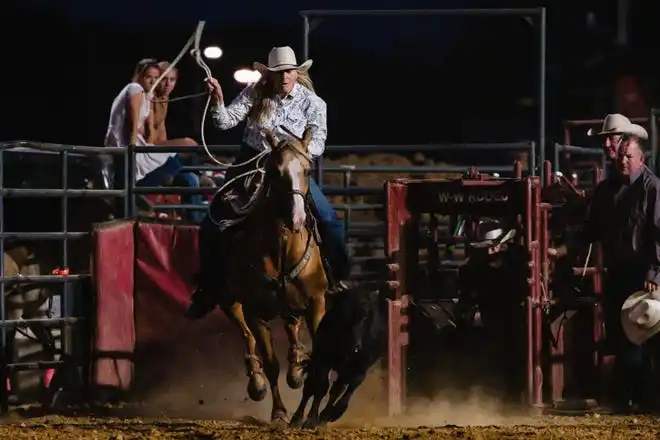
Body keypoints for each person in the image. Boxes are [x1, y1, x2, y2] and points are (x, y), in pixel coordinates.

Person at [186, 46, 350, 319]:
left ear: (297, 73)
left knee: (328, 218)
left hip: (290, 167)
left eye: (288, 71)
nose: (284, 77)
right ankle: (209, 286)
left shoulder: (313, 103)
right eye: (278, 72)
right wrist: (217, 99)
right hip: (250, 165)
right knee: (212, 222)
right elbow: (225, 121)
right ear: (269, 75)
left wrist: (293, 152)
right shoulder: (255, 94)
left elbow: (319, 141)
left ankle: (337, 278)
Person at [552, 124, 659, 412]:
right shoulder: (607, 190)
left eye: (629, 156)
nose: (623, 161)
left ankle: (640, 399)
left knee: (642, 338)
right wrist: (564, 247)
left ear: (641, 159)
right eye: (621, 156)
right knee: (621, 336)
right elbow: (592, 228)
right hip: (618, 272)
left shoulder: (652, 188)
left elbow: (658, 234)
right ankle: (630, 400)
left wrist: (654, 272)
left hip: (642, 275)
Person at [103, 58, 202, 222]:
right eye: (158, 78)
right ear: (139, 75)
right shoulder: (137, 90)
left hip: (137, 146)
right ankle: (140, 193)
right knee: (185, 150)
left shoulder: (150, 96)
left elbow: (158, 133)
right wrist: (134, 146)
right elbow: (137, 128)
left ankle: (195, 224)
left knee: (190, 179)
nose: (158, 82)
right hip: (129, 147)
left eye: (158, 78)